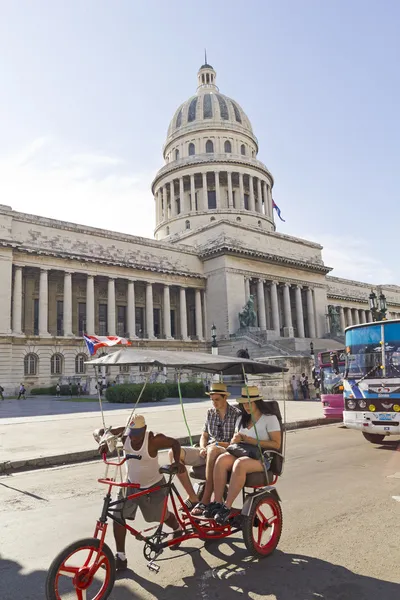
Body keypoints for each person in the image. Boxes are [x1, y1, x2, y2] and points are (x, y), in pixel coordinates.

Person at [94, 414, 184, 571]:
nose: (133, 438)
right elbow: (99, 431)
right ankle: (120, 557)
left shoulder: (154, 439)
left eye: (137, 435)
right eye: (131, 434)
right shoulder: (125, 435)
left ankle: (177, 528)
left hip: (153, 485)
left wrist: (176, 462)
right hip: (130, 484)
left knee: (159, 516)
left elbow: (175, 443)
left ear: (145, 429)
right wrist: (102, 441)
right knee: (118, 515)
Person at [205, 386, 282, 524]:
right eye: (244, 403)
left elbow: (276, 444)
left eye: (249, 403)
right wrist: (234, 440)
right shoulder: (241, 418)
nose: (246, 406)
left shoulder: (269, 419)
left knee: (239, 464)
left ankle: (226, 507)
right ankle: (217, 502)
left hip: (261, 457)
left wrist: (250, 440)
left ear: (257, 402)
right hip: (241, 451)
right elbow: (235, 441)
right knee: (221, 459)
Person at [169, 382, 241, 516]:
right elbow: (204, 435)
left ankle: (206, 500)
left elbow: (235, 442)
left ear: (225, 397)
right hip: (208, 449)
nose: (214, 403)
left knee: (213, 449)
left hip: (225, 450)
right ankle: (192, 496)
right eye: (212, 400)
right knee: (174, 452)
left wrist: (215, 445)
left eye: (217, 399)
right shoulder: (210, 413)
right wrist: (202, 447)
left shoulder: (237, 414)